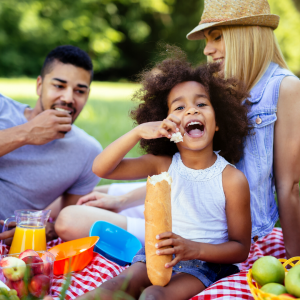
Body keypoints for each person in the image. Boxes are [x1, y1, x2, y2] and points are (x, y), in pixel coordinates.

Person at [56, 0, 300, 260]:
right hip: (183, 199)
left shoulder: (284, 88)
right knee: (87, 195)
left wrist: (294, 260)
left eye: (217, 37)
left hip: (209, 226)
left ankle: (148, 250)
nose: (207, 50)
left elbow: (289, 186)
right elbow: (188, 173)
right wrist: (123, 200)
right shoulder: (221, 83)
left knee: (70, 218)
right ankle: (33, 222)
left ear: (247, 34)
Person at [74, 54, 252, 300]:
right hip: (155, 255)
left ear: (218, 122)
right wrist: (137, 132)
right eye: (179, 107)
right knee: (114, 287)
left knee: (153, 296)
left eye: (201, 104)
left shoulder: (232, 179)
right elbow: (102, 169)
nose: (191, 110)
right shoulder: (163, 165)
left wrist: (194, 249)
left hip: (204, 264)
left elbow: (241, 249)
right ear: (166, 123)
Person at [0, 45, 102, 242]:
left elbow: (69, 218)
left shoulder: (88, 152)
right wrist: (27, 132)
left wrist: (50, 229)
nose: (68, 98)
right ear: (39, 85)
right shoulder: (3, 109)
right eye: (59, 86)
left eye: (80, 91)